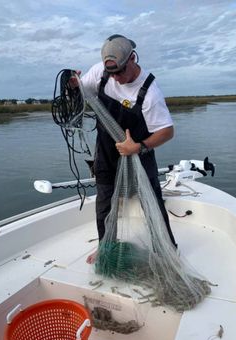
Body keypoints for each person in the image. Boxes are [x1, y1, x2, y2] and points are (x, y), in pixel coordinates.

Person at [79, 34, 177, 264]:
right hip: (106, 150)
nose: (117, 78)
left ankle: (167, 251)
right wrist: (74, 85)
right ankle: (106, 248)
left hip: (138, 153)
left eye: (120, 72)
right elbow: (83, 93)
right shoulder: (101, 72)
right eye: (112, 74)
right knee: (104, 203)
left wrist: (139, 147)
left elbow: (166, 131)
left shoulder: (150, 91)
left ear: (132, 58)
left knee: (151, 202)